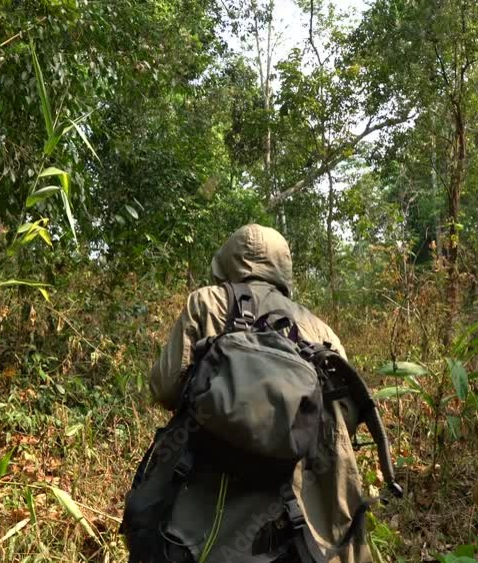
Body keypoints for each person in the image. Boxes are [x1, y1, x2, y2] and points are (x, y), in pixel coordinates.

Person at [149, 223, 372, 562]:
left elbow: (166, 387)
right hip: (295, 515)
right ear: (283, 270)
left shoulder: (207, 302)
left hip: (202, 504)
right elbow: (344, 421)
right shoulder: (321, 331)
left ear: (226, 262)